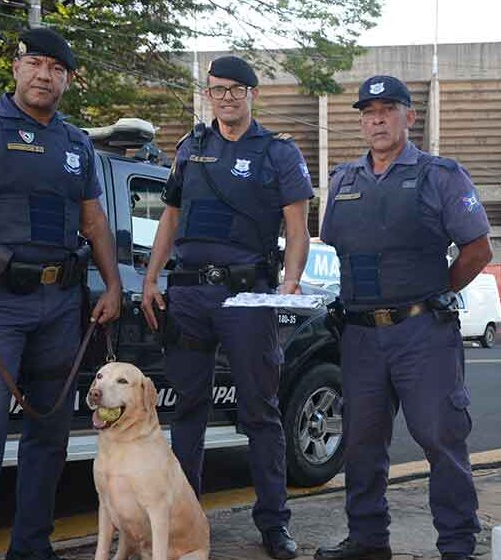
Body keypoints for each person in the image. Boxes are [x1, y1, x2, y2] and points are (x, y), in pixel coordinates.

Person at [0, 28, 122, 560]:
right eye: (35, 63)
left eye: (56, 69)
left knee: (49, 429)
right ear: (16, 69)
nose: (44, 75)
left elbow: (93, 219)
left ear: (68, 79)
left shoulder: (77, 144)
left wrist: (113, 284)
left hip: (61, 304)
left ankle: (32, 547)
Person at [139, 55, 314, 560]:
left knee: (259, 411)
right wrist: (152, 278)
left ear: (251, 94)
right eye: (218, 90)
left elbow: (297, 228)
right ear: (208, 94)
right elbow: (169, 219)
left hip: (247, 297)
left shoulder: (277, 152)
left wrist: (292, 282)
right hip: (190, 295)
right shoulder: (190, 149)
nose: (227, 98)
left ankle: (274, 525)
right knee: (187, 410)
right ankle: (184, 521)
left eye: (237, 89)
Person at [313, 75, 493, 560]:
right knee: (361, 444)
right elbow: (337, 246)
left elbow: (478, 249)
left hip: (422, 333)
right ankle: (369, 541)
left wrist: (435, 295)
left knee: (441, 438)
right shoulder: (342, 181)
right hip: (359, 336)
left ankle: (457, 546)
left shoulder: (441, 175)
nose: (377, 119)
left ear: (409, 116)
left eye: (388, 109)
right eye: (368, 111)